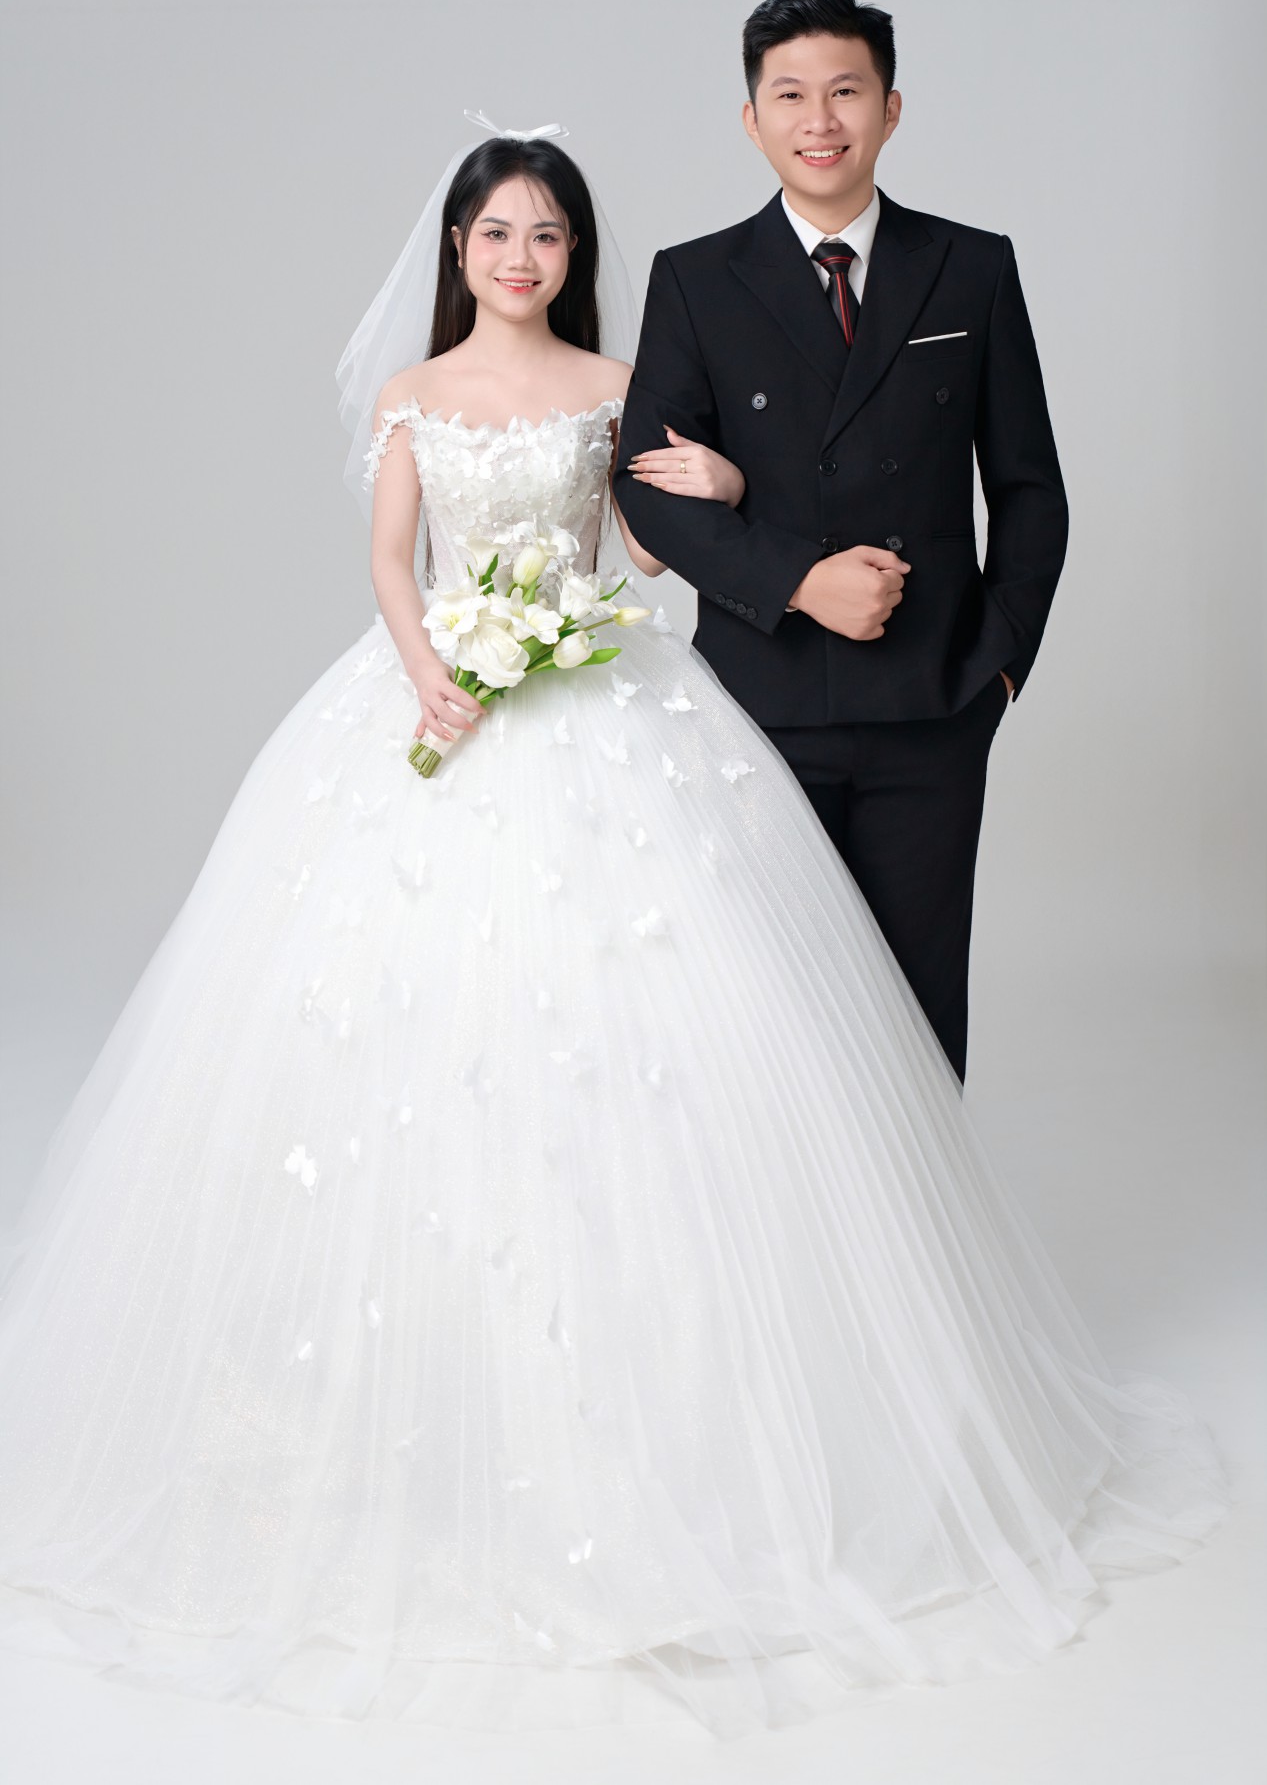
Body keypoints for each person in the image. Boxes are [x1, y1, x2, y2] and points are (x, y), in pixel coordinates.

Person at [0, 125, 1223, 1739]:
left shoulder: (616, 379)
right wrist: (433, 670)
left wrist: (720, 485)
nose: (520, 258)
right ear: (457, 249)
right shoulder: (410, 394)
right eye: (495, 233)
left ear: (574, 254)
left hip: (598, 689)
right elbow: (387, 560)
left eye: (547, 235)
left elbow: (648, 543)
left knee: (673, 1024)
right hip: (443, 693)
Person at [617, 0, 1068, 1082]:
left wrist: (998, 665)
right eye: (790, 95)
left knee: (918, 1009)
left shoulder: (970, 266)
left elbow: (1029, 488)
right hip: (758, 703)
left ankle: (919, 1204)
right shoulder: (696, 279)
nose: (819, 121)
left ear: (890, 108)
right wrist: (798, 580)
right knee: (771, 1016)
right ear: (751, 119)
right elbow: (648, 493)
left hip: (932, 702)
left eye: (846, 91)